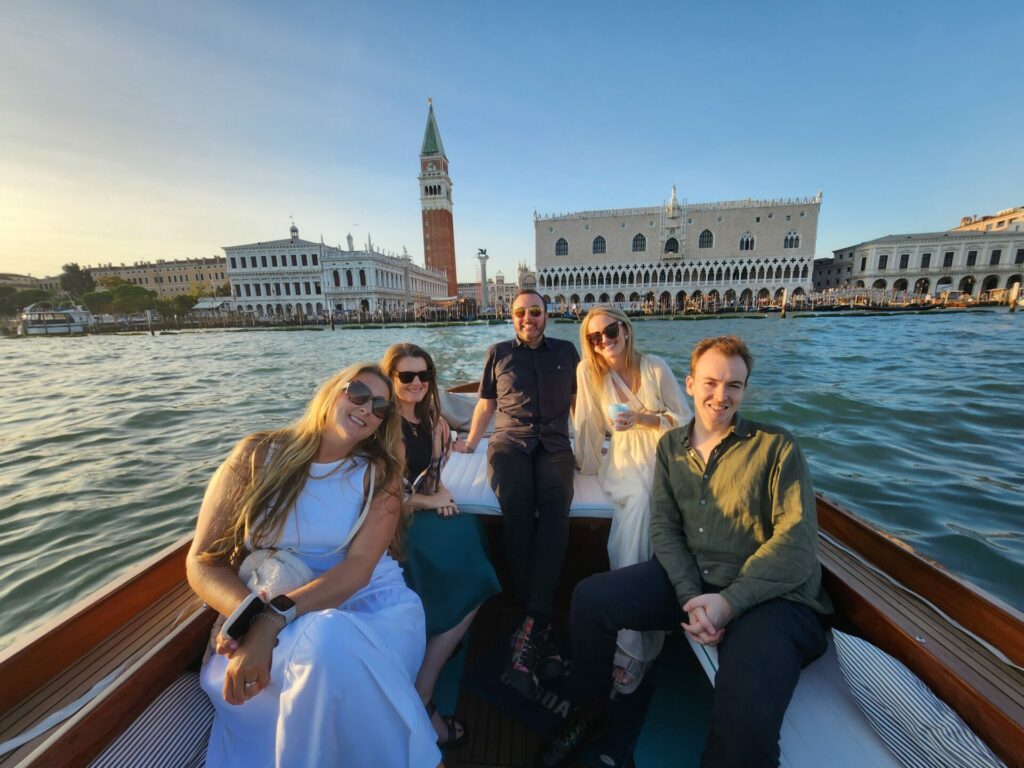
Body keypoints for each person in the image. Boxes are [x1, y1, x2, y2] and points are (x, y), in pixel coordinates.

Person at [540, 336, 833, 768]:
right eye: (711, 382)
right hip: (696, 580)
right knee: (590, 599)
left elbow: (796, 544)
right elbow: (665, 527)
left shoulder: (776, 446)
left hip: (772, 600)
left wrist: (727, 603)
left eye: (734, 385)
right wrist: (689, 594)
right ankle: (593, 711)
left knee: (744, 728)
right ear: (690, 384)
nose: (721, 395)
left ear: (745, 390)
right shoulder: (671, 447)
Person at [187, 363, 440, 768]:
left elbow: (358, 569)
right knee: (324, 647)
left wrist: (271, 622)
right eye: (357, 392)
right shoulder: (256, 455)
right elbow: (203, 562)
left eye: (380, 407)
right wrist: (252, 619)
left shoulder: (379, 475)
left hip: (368, 605)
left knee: (328, 640)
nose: (366, 408)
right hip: (260, 604)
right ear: (331, 391)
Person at [454, 288, 580, 697]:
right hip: (509, 443)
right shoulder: (498, 353)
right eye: (521, 312)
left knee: (557, 505)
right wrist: (470, 444)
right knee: (518, 510)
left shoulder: (567, 351)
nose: (529, 318)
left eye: (536, 311)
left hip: (556, 445)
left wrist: (600, 441)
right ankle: (538, 621)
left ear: (548, 315)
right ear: (512, 317)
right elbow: (486, 405)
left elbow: (581, 404)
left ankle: (531, 622)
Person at [381, 343, 500, 749]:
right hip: (393, 523)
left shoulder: (428, 419)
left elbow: (431, 476)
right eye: (406, 376)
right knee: (475, 574)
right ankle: (424, 692)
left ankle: (442, 636)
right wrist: (432, 501)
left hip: (421, 511)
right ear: (391, 379)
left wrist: (444, 493)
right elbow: (384, 494)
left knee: (471, 532)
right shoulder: (384, 425)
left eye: (423, 375)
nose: (416, 383)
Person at [572, 306, 690, 693]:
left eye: (610, 330)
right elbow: (587, 425)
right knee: (640, 501)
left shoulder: (655, 368)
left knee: (657, 507)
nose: (604, 340)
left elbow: (685, 421)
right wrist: (582, 467)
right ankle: (632, 643)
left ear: (624, 327)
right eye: (594, 337)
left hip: (664, 457)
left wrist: (643, 419)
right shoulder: (590, 374)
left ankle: (641, 632)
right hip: (623, 462)